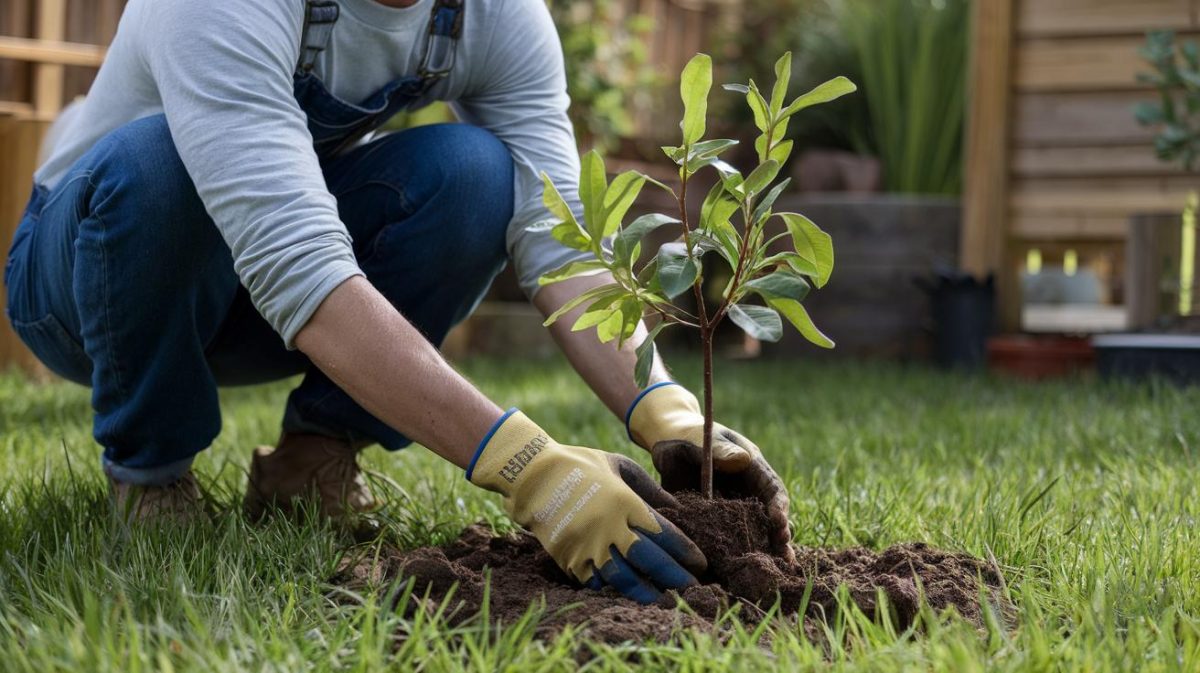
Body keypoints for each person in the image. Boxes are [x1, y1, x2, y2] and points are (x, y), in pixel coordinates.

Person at [3, 0, 791, 604]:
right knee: (160, 159)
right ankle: (151, 471)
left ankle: (313, 459)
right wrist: (530, 466)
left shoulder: (493, 17)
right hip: (86, 285)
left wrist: (664, 405)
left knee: (479, 173)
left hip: (254, 300)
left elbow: (561, 236)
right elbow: (300, 268)